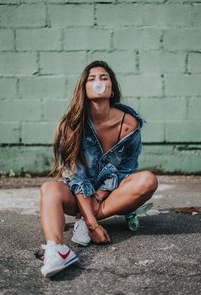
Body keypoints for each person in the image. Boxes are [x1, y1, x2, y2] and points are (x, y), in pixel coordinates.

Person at [40, 60, 158, 278]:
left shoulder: (129, 124)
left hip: (111, 195)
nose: (98, 82)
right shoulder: (71, 125)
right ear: (83, 88)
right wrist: (94, 226)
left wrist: (100, 197)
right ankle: (57, 250)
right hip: (77, 196)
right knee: (49, 188)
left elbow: (126, 169)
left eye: (104, 77)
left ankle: (84, 220)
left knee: (148, 180)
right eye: (91, 79)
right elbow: (75, 176)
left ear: (112, 88)